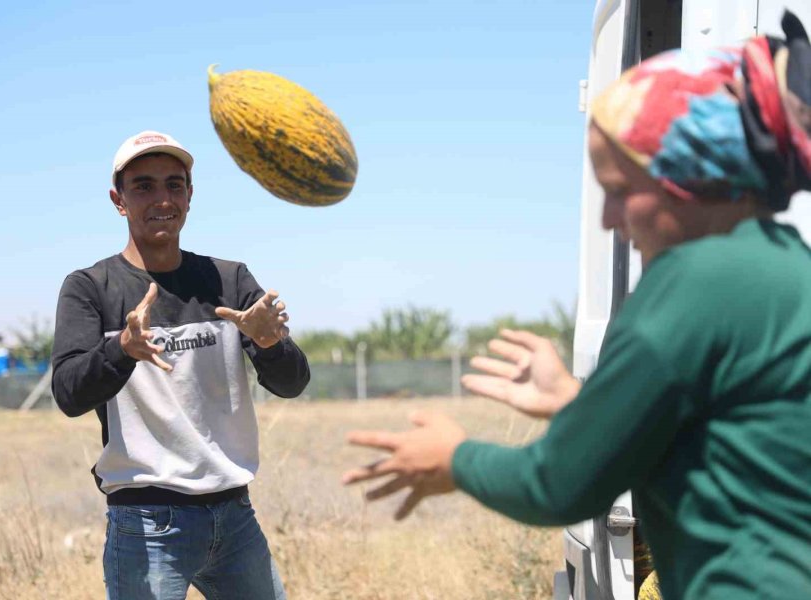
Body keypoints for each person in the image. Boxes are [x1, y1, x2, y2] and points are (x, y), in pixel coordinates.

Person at [343, 13, 811, 600]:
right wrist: (577, 400)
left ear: (689, 171)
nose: (608, 220)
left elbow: (561, 487)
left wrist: (454, 458)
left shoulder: (689, 283)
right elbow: (723, 443)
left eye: (620, 190)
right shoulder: (789, 267)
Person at [51, 130, 309, 600]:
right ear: (119, 200)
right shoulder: (91, 287)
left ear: (190, 196)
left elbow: (292, 383)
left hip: (234, 516)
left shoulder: (228, 280)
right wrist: (121, 350)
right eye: (143, 186)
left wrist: (271, 344)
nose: (162, 198)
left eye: (174, 184)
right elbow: (68, 393)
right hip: (146, 524)